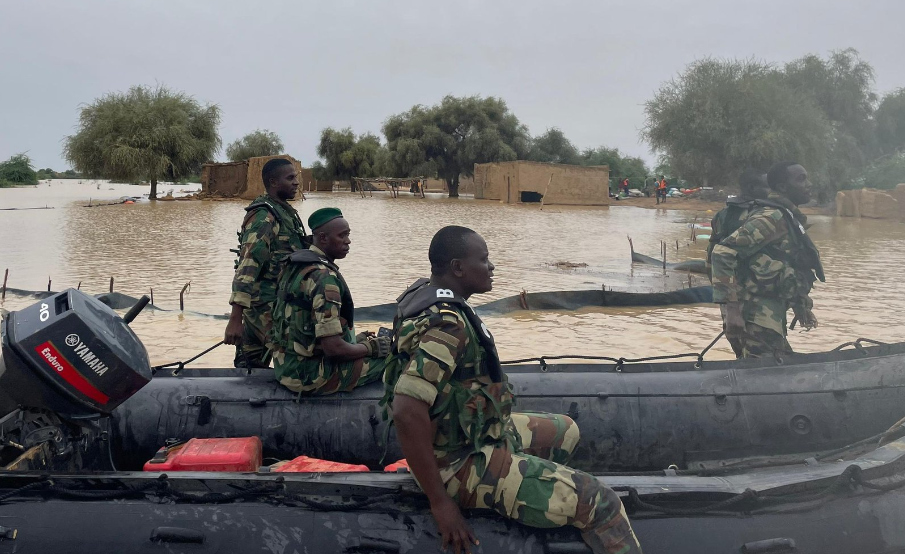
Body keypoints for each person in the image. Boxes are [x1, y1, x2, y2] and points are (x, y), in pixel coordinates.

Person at [382, 226, 641, 554]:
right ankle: (522, 490)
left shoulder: (427, 299)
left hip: (468, 437)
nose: (491, 266)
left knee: (565, 431)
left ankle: (531, 495)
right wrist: (440, 503)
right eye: (484, 259)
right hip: (454, 464)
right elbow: (406, 410)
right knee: (602, 502)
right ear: (458, 268)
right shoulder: (448, 326)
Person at [711, 162, 825, 359]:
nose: (809, 184)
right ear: (782, 187)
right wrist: (732, 311)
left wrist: (800, 306)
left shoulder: (785, 216)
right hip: (756, 316)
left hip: (766, 315)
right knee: (770, 370)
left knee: (774, 365)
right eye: (801, 179)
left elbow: (786, 262)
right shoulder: (772, 217)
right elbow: (722, 253)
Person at [271, 207, 390, 394]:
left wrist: (355, 342)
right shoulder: (325, 279)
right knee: (395, 361)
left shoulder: (294, 265)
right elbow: (333, 349)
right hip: (310, 376)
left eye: (348, 235)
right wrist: (370, 348)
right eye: (342, 235)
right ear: (323, 238)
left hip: (285, 366)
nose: (348, 241)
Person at [224, 158, 308, 368]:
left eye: (296, 177)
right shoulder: (264, 217)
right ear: (273, 182)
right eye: (290, 178)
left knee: (250, 365)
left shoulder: (284, 213)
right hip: (264, 308)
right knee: (294, 362)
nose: (296, 182)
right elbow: (247, 266)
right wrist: (235, 319)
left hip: (276, 303)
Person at [706, 171, 770, 357]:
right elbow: (717, 254)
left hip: (730, 292)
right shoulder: (760, 216)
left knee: (738, 343)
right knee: (759, 349)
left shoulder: (723, 215)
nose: (771, 191)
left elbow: (710, 258)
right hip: (751, 295)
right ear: (752, 188)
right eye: (767, 186)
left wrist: (724, 299)